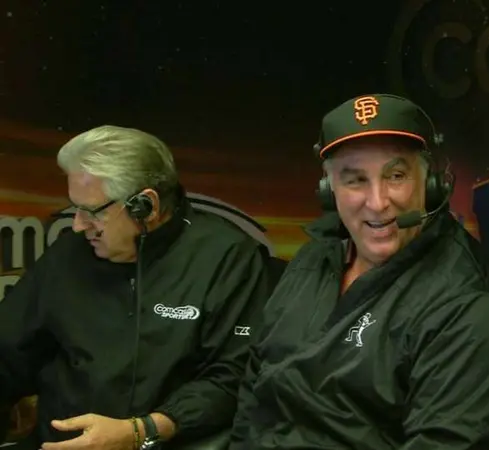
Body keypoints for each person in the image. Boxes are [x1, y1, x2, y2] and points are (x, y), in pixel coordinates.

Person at [229, 94, 489, 449]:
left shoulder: (476, 309)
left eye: (396, 175)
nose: (377, 203)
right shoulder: (314, 258)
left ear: (432, 184)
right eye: (355, 180)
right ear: (329, 190)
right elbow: (255, 382)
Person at [0, 125, 286, 449]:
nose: (78, 225)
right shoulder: (68, 255)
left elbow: (232, 378)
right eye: (75, 208)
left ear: (145, 206)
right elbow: (7, 351)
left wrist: (140, 431)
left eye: (92, 212)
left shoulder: (226, 258)